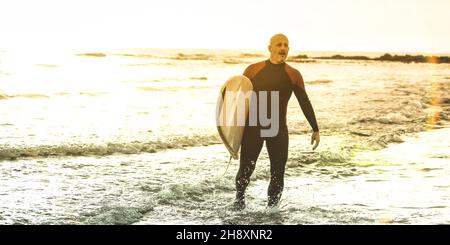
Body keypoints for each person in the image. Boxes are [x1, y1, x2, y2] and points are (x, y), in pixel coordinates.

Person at [234, 33, 320, 210]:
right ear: (270, 48)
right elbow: (240, 101)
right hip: (253, 128)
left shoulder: (293, 74)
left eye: (286, 45)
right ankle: (239, 201)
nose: (283, 48)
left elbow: (304, 101)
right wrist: (233, 134)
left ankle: (272, 210)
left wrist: (315, 128)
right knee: (245, 170)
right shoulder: (252, 70)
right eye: (279, 44)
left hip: (278, 129)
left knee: (278, 173)